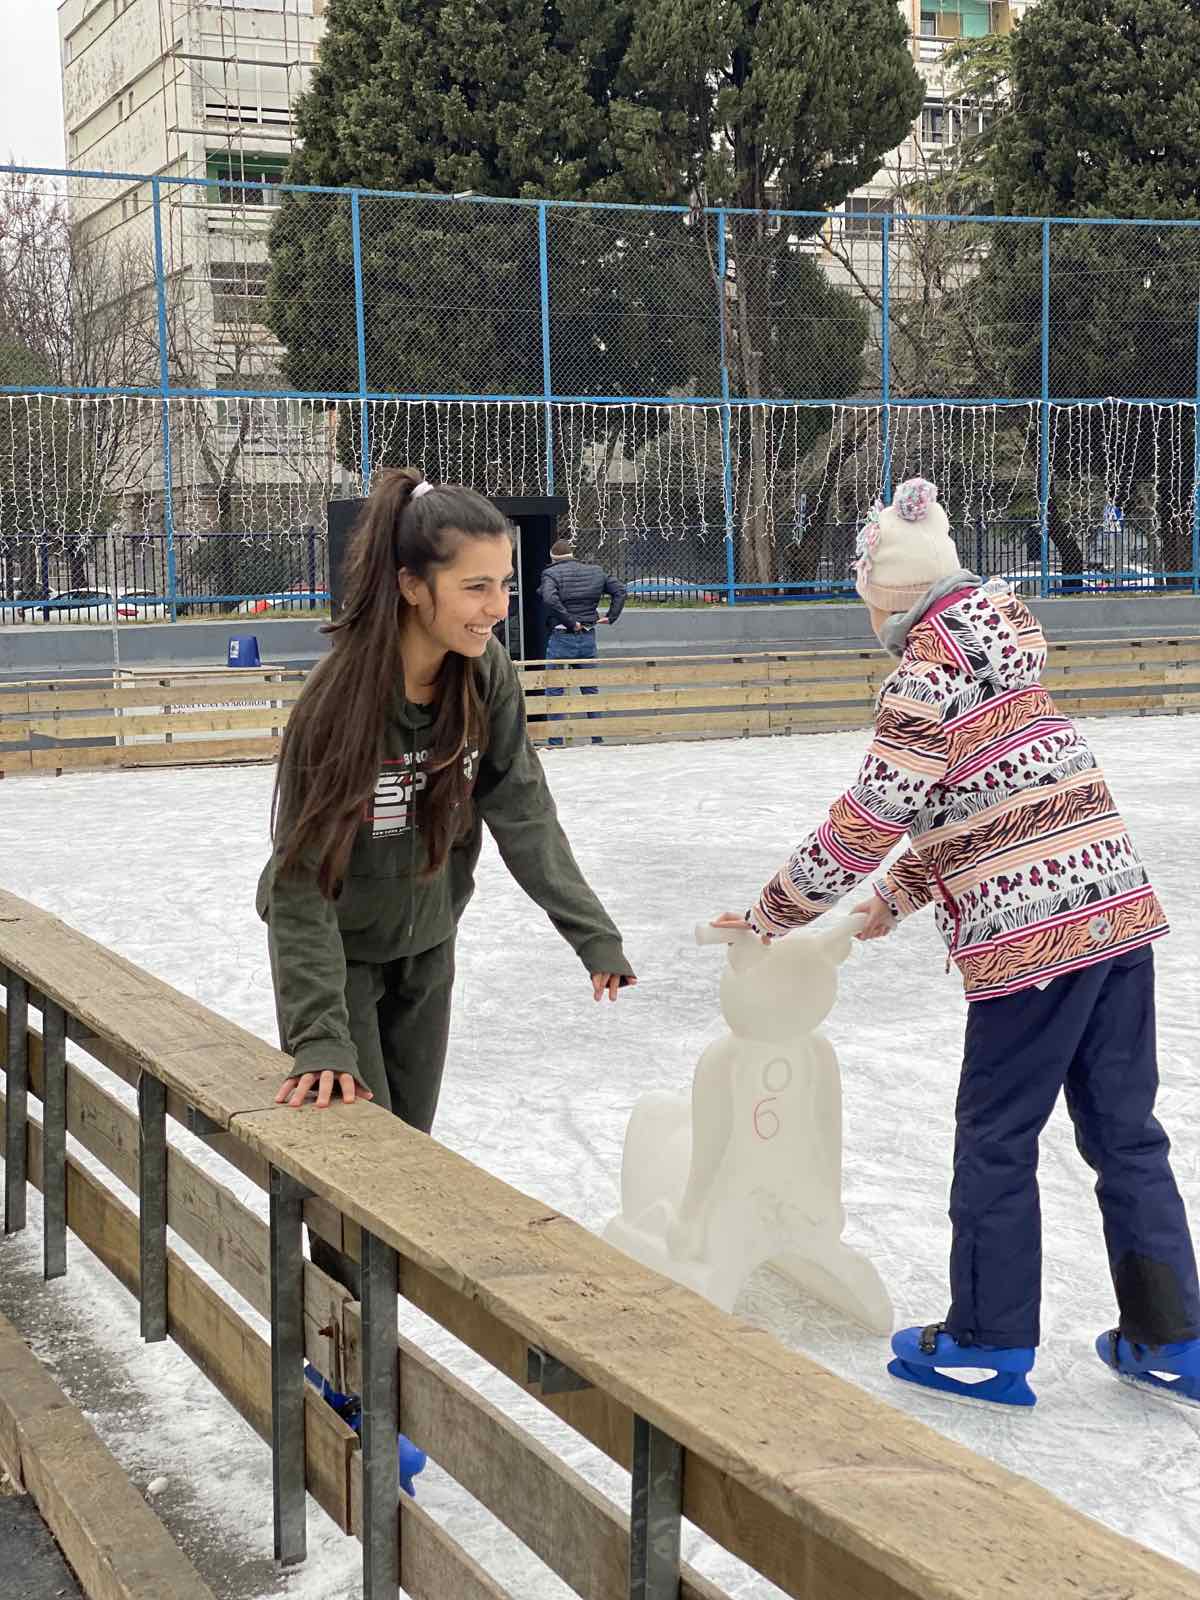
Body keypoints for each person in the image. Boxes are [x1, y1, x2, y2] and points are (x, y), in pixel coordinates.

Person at [714, 477, 1200, 1409]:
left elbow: (872, 814)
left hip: (1032, 936)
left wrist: (776, 909)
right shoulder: (1005, 655)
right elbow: (979, 796)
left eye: (865, 584)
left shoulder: (925, 671)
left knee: (995, 1138)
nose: (863, 601)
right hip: (1116, 909)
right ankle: (1171, 1333)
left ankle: (986, 1339)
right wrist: (896, 898)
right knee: (1126, 1132)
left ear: (891, 590)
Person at [258, 468, 637, 1293]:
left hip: (427, 949)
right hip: (342, 959)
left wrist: (591, 932)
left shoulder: (484, 674)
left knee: (409, 1157)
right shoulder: (338, 704)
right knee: (358, 1169)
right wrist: (319, 1032)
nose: (496, 605)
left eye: (503, 583)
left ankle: (375, 1360)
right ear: (411, 586)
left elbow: (522, 808)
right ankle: (337, 1373)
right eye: (474, 586)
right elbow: (297, 884)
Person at [539, 538, 626, 746]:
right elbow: (620, 591)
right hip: (588, 636)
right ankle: (597, 737)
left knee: (555, 689)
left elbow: (549, 599)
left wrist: (570, 622)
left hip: (561, 638)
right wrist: (611, 616)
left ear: (553, 558)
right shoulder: (595, 571)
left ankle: (556, 740)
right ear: (572, 554)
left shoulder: (550, 573)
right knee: (589, 688)